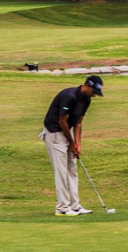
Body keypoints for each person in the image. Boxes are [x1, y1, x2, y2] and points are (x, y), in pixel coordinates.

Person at [41, 75, 104, 216]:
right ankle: (62, 208)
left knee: (72, 170)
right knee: (62, 172)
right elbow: (62, 121)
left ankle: (74, 206)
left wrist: (78, 144)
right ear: (86, 85)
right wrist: (71, 143)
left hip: (66, 132)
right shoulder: (69, 96)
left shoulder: (86, 100)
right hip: (54, 133)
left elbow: (78, 123)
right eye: (93, 91)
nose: (94, 95)